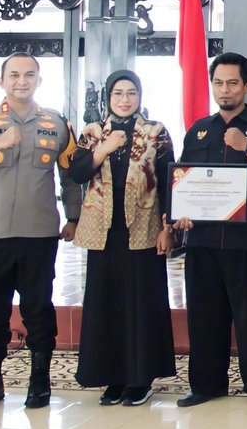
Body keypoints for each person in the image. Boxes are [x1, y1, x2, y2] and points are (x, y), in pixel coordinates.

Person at [0, 52, 81, 413]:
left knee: (38, 308)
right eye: (14, 75)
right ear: (2, 81)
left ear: (39, 80)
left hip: (38, 234)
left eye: (29, 75)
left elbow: (69, 176)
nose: (22, 81)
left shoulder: (57, 124)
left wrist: (73, 216)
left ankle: (40, 381)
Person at [174, 53, 247, 411]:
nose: (225, 90)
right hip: (203, 241)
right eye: (219, 83)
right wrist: (181, 214)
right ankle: (207, 384)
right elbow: (185, 181)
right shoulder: (198, 130)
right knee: (204, 317)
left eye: (233, 83)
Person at [68, 70, 176, 407]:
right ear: (108, 98)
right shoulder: (92, 133)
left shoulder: (156, 132)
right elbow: (77, 172)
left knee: (142, 303)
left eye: (131, 93)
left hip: (143, 227)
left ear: (140, 97)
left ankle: (140, 379)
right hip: (104, 231)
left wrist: (168, 227)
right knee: (106, 304)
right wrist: (104, 148)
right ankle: (112, 377)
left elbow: (169, 182)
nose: (125, 100)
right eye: (118, 93)